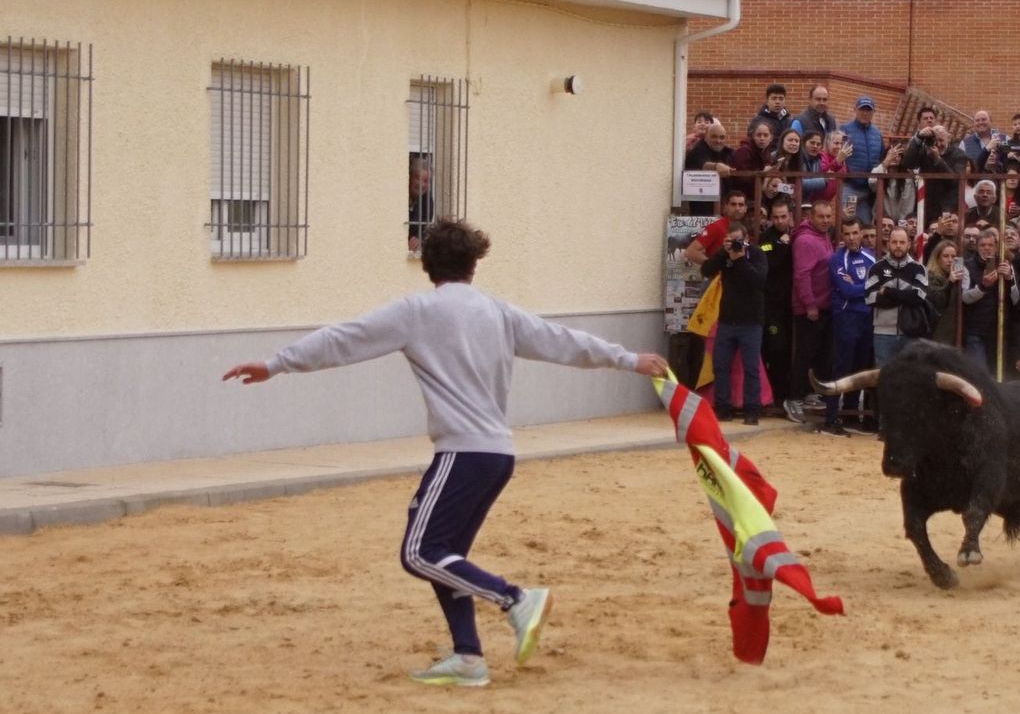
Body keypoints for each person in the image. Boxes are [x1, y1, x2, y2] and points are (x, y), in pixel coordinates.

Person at [222, 221, 668, 687]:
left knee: (420, 551)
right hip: (497, 455)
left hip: (462, 452)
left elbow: (344, 339)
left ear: (427, 264)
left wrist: (276, 364)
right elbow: (564, 343)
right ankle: (468, 657)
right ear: (474, 265)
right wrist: (627, 358)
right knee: (447, 555)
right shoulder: (498, 312)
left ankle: (515, 598)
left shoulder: (419, 310)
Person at [701, 219, 768, 426]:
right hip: (727, 320)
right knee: (720, 366)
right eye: (732, 241)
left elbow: (758, 280)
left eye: (739, 240)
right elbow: (706, 270)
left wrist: (739, 259)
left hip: (751, 322)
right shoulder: (724, 255)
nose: (736, 245)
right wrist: (723, 252)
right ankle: (723, 408)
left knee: (751, 368)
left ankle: (752, 411)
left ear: (747, 239)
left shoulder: (756, 254)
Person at [784, 200, 835, 423]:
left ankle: (809, 394)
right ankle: (793, 398)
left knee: (820, 353)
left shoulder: (823, 236)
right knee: (804, 354)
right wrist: (810, 304)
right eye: (821, 217)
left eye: (828, 217)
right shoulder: (805, 240)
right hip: (810, 308)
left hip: (824, 305)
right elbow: (801, 275)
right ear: (811, 217)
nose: (825, 221)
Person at [825, 216, 875, 435]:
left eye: (855, 233)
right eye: (847, 234)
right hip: (846, 318)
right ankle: (831, 418)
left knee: (860, 368)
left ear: (861, 233)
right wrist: (867, 288)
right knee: (841, 367)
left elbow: (875, 286)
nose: (852, 238)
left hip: (867, 319)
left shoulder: (870, 256)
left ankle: (851, 414)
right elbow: (847, 291)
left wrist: (860, 286)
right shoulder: (837, 259)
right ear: (842, 236)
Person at [865, 227, 930, 369]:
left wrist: (887, 291)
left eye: (902, 242)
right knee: (883, 377)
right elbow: (869, 298)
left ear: (909, 244)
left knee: (910, 377)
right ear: (888, 244)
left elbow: (919, 298)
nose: (898, 245)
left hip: (911, 333)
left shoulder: (918, 269)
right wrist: (906, 296)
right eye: (894, 242)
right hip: (883, 334)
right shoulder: (876, 268)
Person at [758, 198, 795, 408]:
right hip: (772, 307)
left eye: (783, 216)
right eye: (776, 217)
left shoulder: (796, 235)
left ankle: (785, 395)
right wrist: (781, 245)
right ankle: (774, 396)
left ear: (790, 216)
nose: (780, 221)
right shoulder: (766, 238)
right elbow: (768, 264)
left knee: (789, 351)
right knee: (776, 350)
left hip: (792, 305)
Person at [960, 227, 1011, 375]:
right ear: (977, 247)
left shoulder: (1005, 265)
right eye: (983, 245)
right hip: (976, 330)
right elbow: (965, 297)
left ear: (996, 247)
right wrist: (983, 286)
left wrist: (1009, 279)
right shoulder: (967, 266)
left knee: (997, 375)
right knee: (980, 374)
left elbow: (1015, 299)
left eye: (990, 245)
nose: (987, 249)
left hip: (999, 330)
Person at [839, 96, 886, 218]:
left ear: (873, 112)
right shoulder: (844, 130)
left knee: (865, 226)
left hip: (869, 190)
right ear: (855, 110)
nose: (865, 113)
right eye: (862, 110)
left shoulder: (877, 133)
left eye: (868, 110)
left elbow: (881, 158)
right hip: (850, 187)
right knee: (845, 222)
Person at [925, 239, 968, 346]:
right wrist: (950, 282)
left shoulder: (960, 277)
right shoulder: (931, 276)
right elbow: (938, 300)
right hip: (937, 332)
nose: (950, 260)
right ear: (938, 258)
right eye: (946, 256)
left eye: (953, 257)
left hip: (955, 331)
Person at [406, 156, 433, 251]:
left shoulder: (427, 200)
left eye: (426, 181)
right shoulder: (401, 196)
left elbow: (426, 227)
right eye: (417, 178)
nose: (422, 184)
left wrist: (419, 239)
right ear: (409, 178)